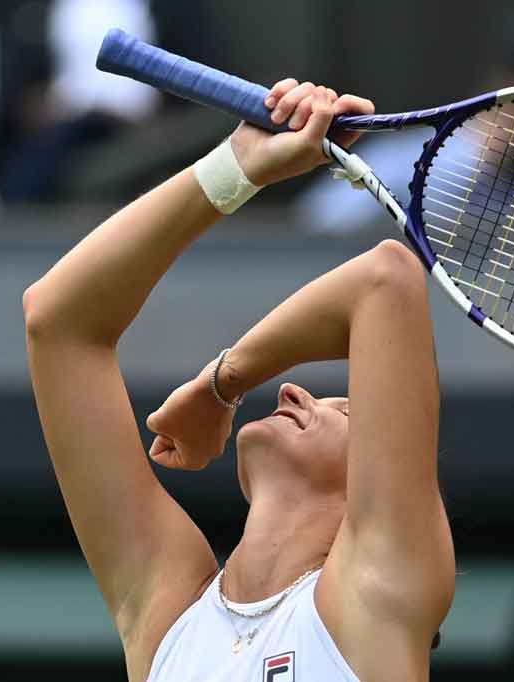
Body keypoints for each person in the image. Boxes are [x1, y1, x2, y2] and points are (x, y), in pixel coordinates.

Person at [23, 80, 454, 681]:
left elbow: (384, 281)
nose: (291, 390)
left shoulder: (378, 599)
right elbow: (58, 321)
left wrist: (223, 380)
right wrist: (236, 169)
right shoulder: (169, 613)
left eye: (348, 411)